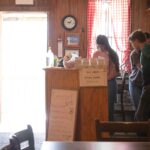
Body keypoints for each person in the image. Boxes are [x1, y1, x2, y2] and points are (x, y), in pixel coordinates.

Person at [93, 35, 120, 121]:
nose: (100, 47)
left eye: (102, 45)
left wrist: (107, 78)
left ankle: (110, 129)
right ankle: (100, 128)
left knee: (109, 106)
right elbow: (92, 68)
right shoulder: (96, 54)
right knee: (98, 105)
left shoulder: (112, 54)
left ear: (106, 44)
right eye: (98, 45)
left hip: (110, 82)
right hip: (98, 81)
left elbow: (117, 72)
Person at [129, 30, 150, 121]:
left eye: (132, 42)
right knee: (141, 113)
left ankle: (142, 133)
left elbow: (141, 68)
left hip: (147, 85)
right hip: (140, 83)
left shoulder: (145, 48)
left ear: (136, 40)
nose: (132, 45)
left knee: (140, 114)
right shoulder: (138, 51)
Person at [128, 38, 142, 110]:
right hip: (135, 83)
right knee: (139, 109)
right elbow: (140, 67)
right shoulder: (135, 53)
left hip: (144, 84)